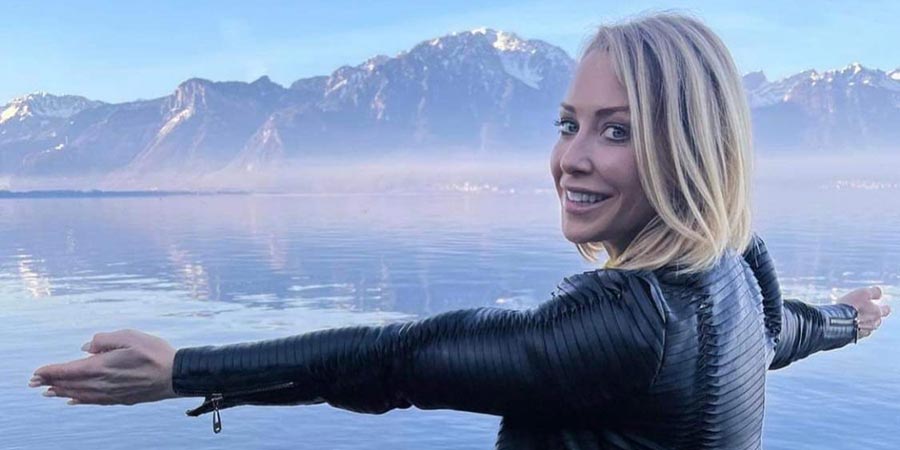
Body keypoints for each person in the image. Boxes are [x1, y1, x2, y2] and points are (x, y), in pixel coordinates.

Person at [29, 12, 891, 449]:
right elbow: (779, 335)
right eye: (569, 124)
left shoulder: (631, 324)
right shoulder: (732, 269)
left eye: (617, 131)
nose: (573, 158)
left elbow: (399, 359)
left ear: (690, 147)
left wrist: (184, 371)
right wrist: (850, 319)